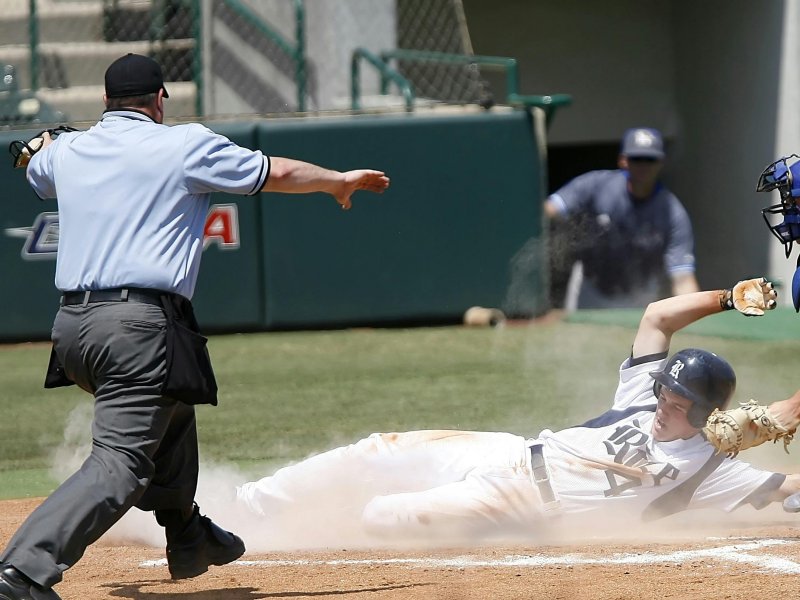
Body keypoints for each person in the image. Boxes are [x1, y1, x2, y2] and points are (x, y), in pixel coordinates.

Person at [0, 53, 390, 600]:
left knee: (173, 406)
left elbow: (35, 166)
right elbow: (275, 172)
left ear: (106, 101)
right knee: (121, 463)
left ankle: (187, 534)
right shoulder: (183, 144)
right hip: (138, 326)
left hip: (72, 330)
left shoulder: (68, 151)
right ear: (160, 99)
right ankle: (21, 571)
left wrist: (45, 146)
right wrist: (336, 181)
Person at [229, 278, 800, 548]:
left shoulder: (712, 471)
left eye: (676, 406)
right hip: (512, 451)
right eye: (662, 396)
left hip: (521, 503)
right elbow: (656, 317)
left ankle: (308, 525)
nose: (661, 409)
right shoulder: (641, 398)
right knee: (377, 450)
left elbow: (786, 484)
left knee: (384, 516)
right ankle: (245, 507)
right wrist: (727, 299)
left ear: (704, 415)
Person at [545, 127, 700, 310]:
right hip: (591, 290)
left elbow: (682, 278)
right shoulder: (596, 185)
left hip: (640, 297)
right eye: (637, 159)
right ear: (623, 161)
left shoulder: (672, 213)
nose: (644, 166)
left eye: (650, 159)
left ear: (661, 163)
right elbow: (550, 209)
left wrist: (695, 315)